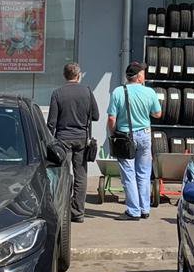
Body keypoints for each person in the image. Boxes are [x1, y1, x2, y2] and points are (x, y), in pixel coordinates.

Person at [106, 61, 162, 220]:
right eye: (143, 73)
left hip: (125, 137)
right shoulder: (149, 92)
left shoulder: (118, 92)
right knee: (144, 173)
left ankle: (133, 210)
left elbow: (111, 118)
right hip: (145, 135)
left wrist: (113, 133)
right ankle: (145, 209)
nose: (145, 76)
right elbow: (157, 114)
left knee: (128, 174)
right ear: (138, 77)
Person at [47, 61, 99, 224]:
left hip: (63, 139)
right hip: (82, 139)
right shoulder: (87, 92)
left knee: (63, 174)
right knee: (81, 175)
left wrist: (48, 141)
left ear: (65, 75)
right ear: (79, 75)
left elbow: (51, 122)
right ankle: (78, 212)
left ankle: (61, 209)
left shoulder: (57, 93)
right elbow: (96, 116)